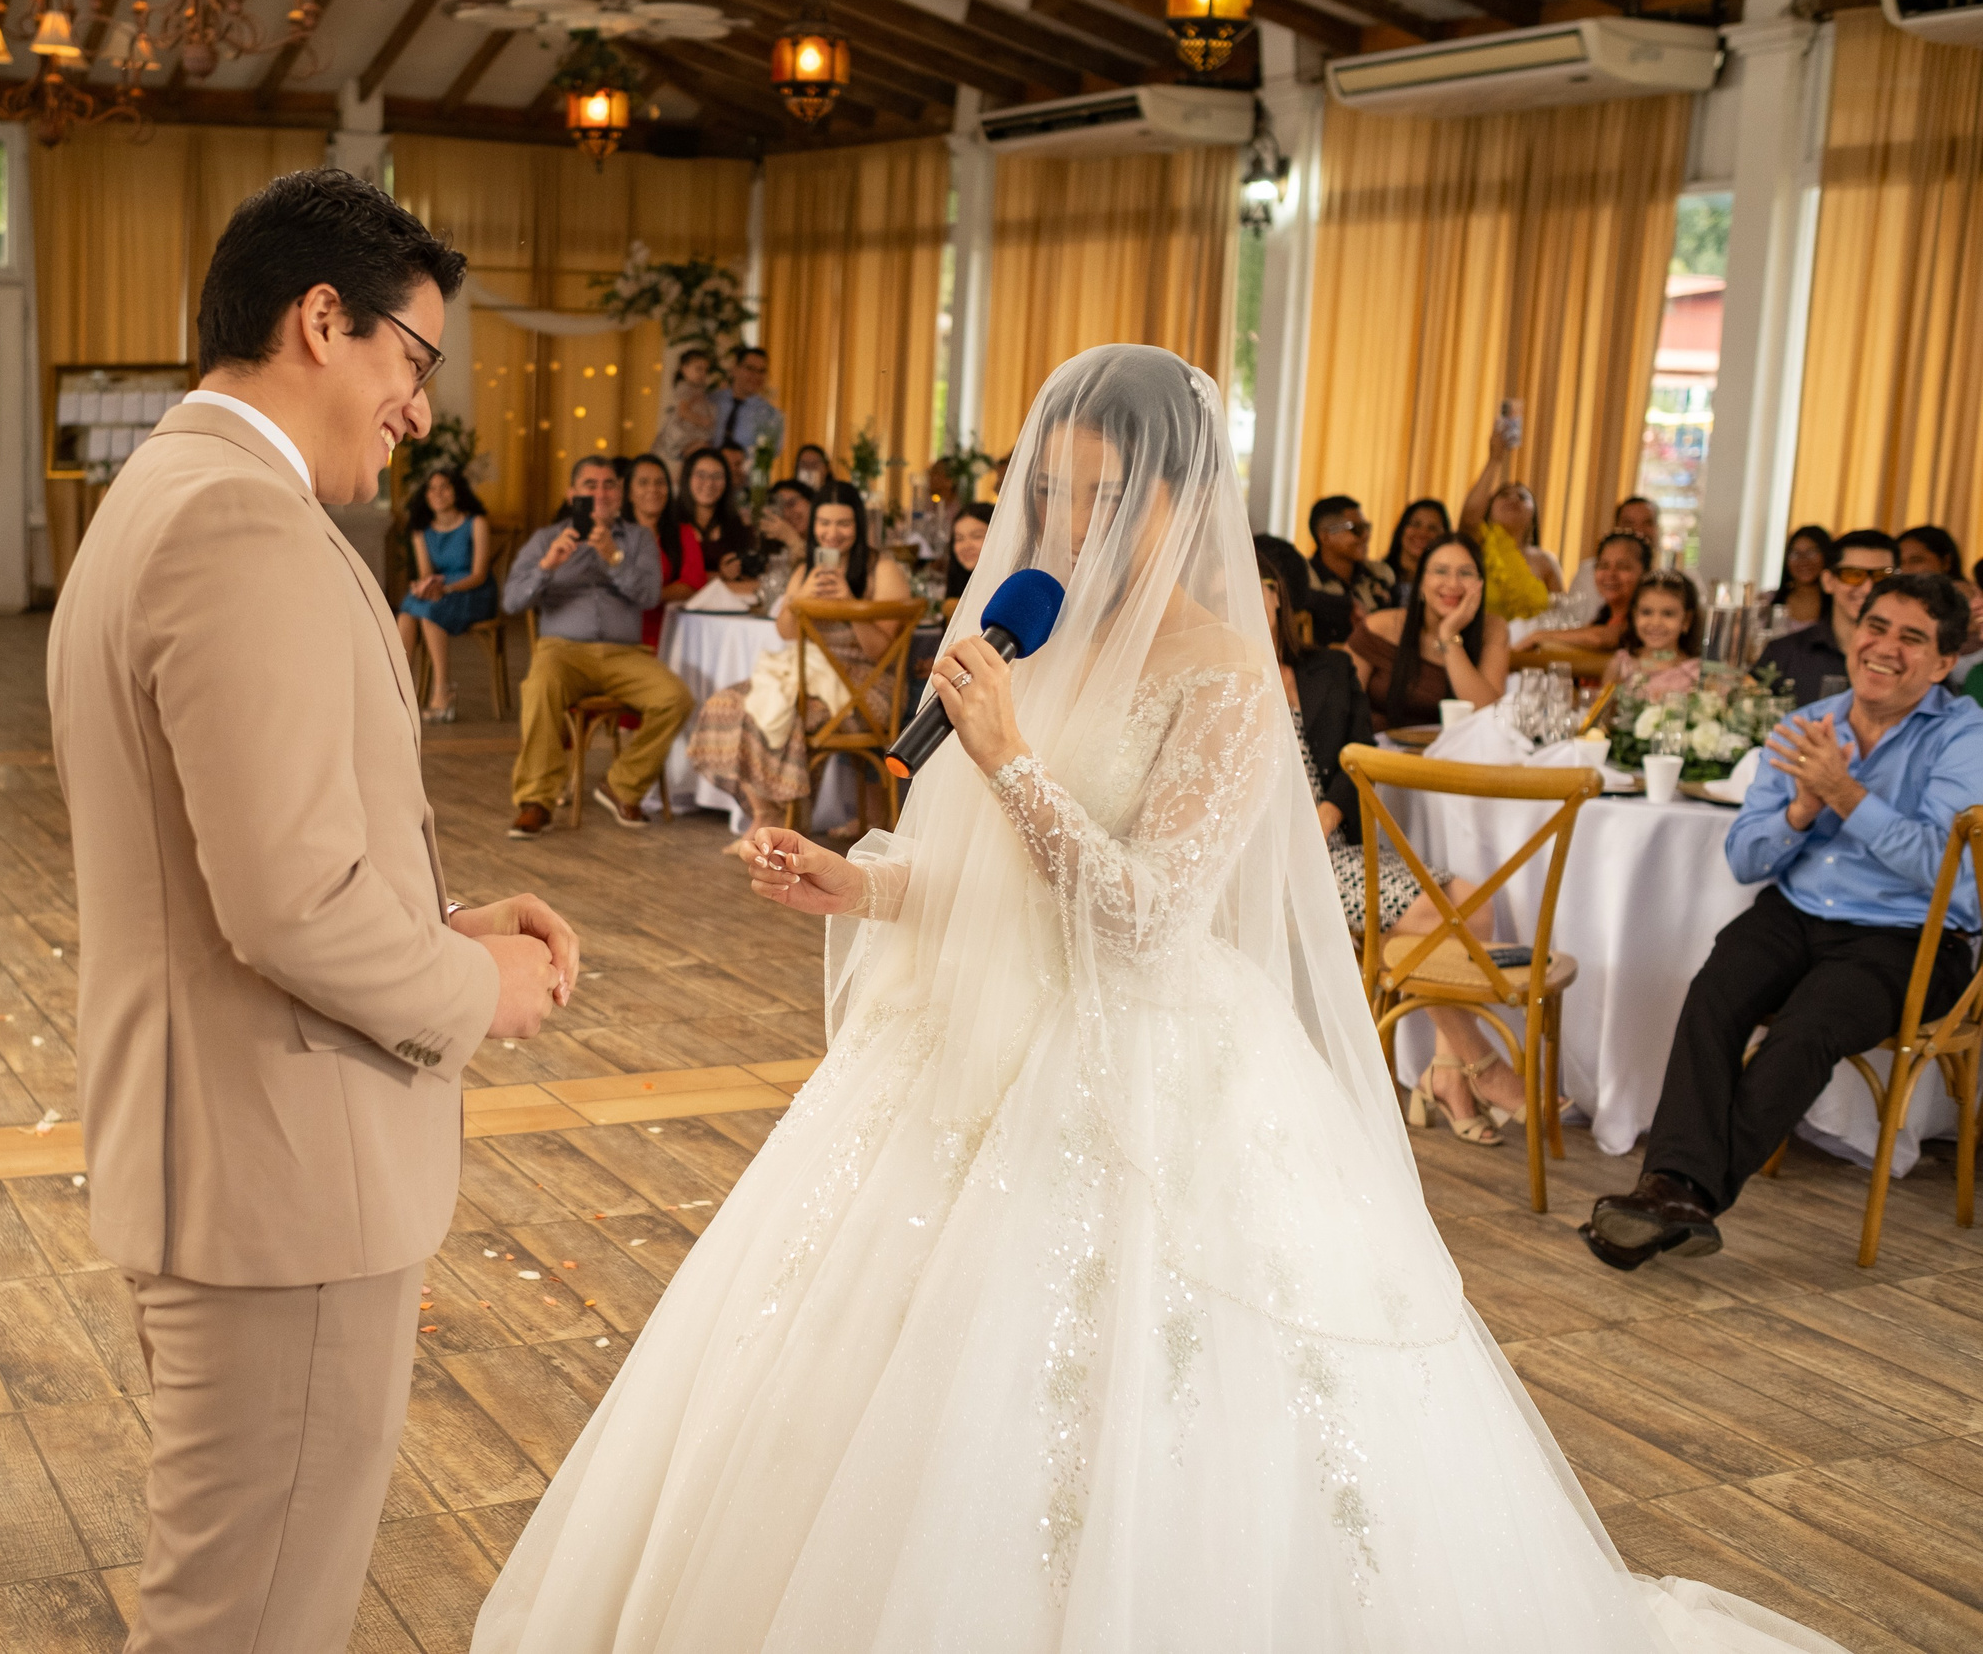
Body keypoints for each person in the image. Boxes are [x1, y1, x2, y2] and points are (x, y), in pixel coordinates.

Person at [471, 344, 1841, 1654]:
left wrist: (1009, 758)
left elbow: (1140, 916)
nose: (1062, 523)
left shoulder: (1227, 674)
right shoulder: (1036, 631)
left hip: (1143, 1072)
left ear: (1178, 498)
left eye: (1097, 495)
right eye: (1048, 492)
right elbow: (991, 877)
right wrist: (865, 884)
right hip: (968, 1052)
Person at [45, 169, 575, 1654]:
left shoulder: (161, 492)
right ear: (321, 320)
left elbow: (233, 855)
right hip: (282, 1182)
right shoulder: (241, 526)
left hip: (224, 1147)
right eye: (416, 360)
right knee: (248, 1621)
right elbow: (284, 902)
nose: (419, 410)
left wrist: (445, 920)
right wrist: (485, 994)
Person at [1586, 573, 1983, 1271]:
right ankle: (1675, 1194)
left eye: (1911, 638)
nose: (1885, 647)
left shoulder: (1965, 738)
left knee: (1805, 1030)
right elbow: (1744, 855)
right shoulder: (1809, 723)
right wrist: (1802, 809)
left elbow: (1944, 867)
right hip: (1796, 912)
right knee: (1712, 996)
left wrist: (1844, 792)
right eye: (1876, 626)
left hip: (1911, 937)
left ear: (1944, 662)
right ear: (1855, 631)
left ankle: (1677, 1192)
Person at [1264, 553, 1518, 1141]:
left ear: (1282, 598)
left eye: (1262, 588)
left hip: (1330, 848)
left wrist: (1323, 818)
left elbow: (1358, 764)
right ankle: (1480, 1063)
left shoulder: (1327, 671)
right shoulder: (1211, 676)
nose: (1249, 602)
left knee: (1475, 905)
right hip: (1264, 865)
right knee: (1434, 917)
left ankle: (1449, 1070)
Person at [687, 497, 912, 846]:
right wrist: (799, 599)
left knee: (785, 713)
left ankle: (789, 820)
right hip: (808, 674)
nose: (832, 533)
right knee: (726, 703)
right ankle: (767, 813)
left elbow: (881, 650)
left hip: (866, 686)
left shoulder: (880, 569)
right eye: (824, 523)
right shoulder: (806, 569)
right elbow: (786, 632)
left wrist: (850, 604)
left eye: (843, 524)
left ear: (859, 527)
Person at [503, 454, 691, 838]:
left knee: (675, 697)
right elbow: (511, 601)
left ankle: (622, 785)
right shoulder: (545, 539)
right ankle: (536, 800)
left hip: (625, 655)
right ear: (573, 494)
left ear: (620, 493)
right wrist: (548, 565)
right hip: (562, 651)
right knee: (539, 686)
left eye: (609, 485)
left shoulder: (638, 538)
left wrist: (613, 557)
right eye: (591, 486)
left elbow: (649, 595)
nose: (601, 493)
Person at [1347, 532, 1510, 732]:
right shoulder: (1380, 627)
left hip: (1457, 757)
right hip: (1377, 754)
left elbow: (1489, 715)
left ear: (1480, 583)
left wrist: (1449, 635)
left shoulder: (1493, 629)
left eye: (1466, 573)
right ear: (1421, 582)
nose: (1452, 584)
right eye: (1441, 571)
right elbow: (1341, 710)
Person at [395, 468, 497, 723]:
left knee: (430, 612)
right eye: (432, 488)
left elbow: (479, 575)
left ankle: (443, 691)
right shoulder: (421, 530)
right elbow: (427, 574)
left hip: (474, 591)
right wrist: (424, 587)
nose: (438, 493)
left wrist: (447, 589)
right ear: (425, 495)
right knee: (408, 611)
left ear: (457, 491)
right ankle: (398, 690)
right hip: (440, 591)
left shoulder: (476, 523)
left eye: (445, 487)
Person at [1758, 528, 1896, 704]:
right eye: (1852, 575)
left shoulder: (1908, 660)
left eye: (1881, 576)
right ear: (1829, 581)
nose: (1868, 588)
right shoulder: (1783, 653)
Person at [1458, 399, 1562, 623]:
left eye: (1522, 497)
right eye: (1504, 494)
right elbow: (1468, 515)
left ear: (1533, 517)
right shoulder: (1479, 542)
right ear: (1488, 509)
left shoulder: (1546, 561)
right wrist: (1495, 460)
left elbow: (1562, 616)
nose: (1513, 499)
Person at [1516, 531, 1649, 654]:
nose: (1610, 574)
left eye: (1622, 567)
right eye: (1603, 566)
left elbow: (1603, 638)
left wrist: (1538, 636)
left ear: (1645, 573)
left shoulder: (1646, 616)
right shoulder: (1602, 619)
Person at [625, 451, 704, 649]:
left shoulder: (683, 533)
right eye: (643, 482)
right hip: (624, 635)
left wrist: (648, 595)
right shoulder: (614, 536)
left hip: (674, 634)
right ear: (629, 493)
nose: (653, 489)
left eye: (660, 483)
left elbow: (692, 585)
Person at [1299, 493, 1392, 644]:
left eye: (1367, 527)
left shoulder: (1380, 574)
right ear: (1326, 536)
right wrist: (1346, 605)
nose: (1366, 536)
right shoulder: (1304, 575)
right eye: (1356, 529)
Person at [1602, 569, 1703, 696]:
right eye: (1646, 612)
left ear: (1686, 621)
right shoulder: (1621, 666)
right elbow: (1602, 712)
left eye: (1668, 614)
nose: (1655, 622)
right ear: (1634, 615)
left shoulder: (1695, 674)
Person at [1895, 523, 1983, 658]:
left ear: (1946, 562)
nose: (1906, 570)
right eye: (1899, 563)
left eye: (1916, 560)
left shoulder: (1962, 594)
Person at [680, 447, 755, 589]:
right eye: (701, 475)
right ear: (687, 477)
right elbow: (666, 577)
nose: (709, 483)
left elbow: (748, 576)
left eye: (717, 476)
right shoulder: (670, 522)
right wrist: (720, 575)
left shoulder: (737, 525)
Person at [1564, 497, 1662, 598]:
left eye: (1647, 523)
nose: (1638, 530)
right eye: (1629, 523)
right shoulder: (1590, 573)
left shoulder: (1664, 580)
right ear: (1616, 527)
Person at [710, 344, 783, 460]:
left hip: (744, 477)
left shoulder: (771, 417)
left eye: (762, 371)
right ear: (735, 369)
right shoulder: (712, 401)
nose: (756, 376)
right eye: (750, 369)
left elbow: (763, 463)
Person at [1379, 498, 1449, 609]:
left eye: (1432, 528)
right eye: (1415, 524)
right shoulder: (1376, 576)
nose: (1422, 533)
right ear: (1402, 529)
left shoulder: (1449, 584)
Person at [654, 347, 718, 469]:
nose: (702, 374)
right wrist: (701, 420)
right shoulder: (684, 388)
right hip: (686, 431)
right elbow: (682, 411)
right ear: (684, 369)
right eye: (698, 369)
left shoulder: (699, 389)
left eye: (705, 370)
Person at [1768, 524, 1832, 637]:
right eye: (1795, 554)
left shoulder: (1838, 605)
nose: (1803, 560)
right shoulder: (1767, 601)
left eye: (1811, 552)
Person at [942, 502, 990, 606]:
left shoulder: (1009, 591)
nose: (966, 546)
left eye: (977, 536)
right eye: (959, 538)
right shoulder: (960, 588)